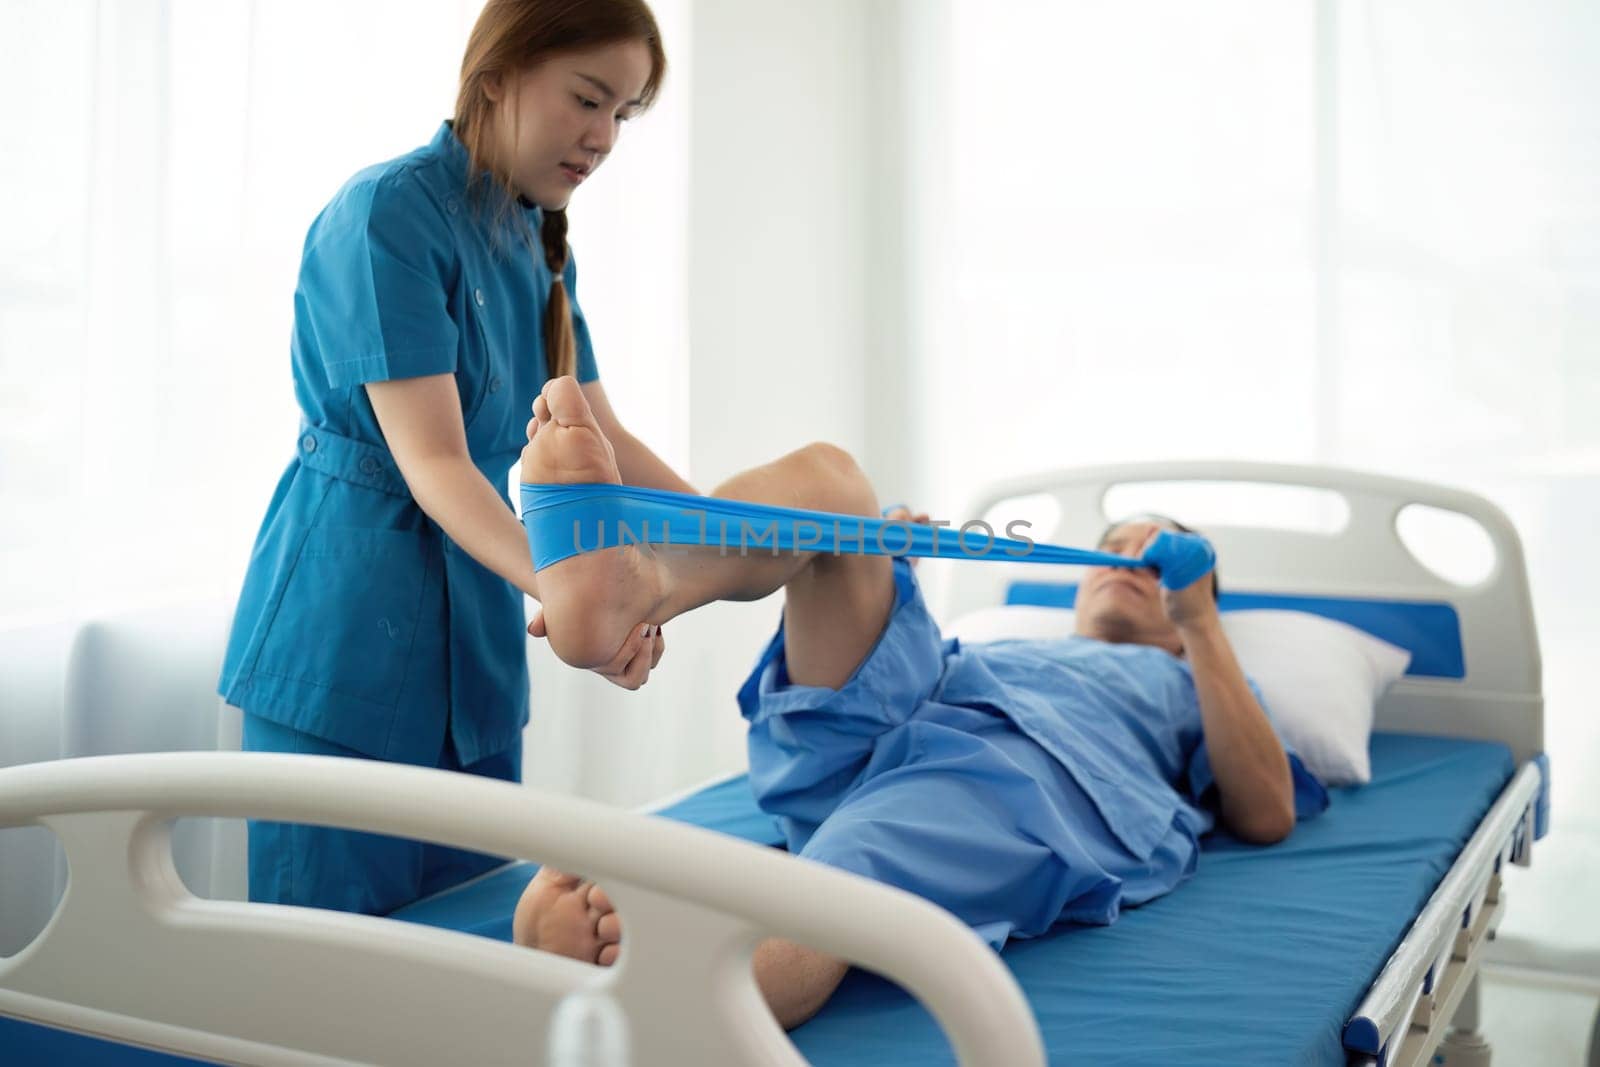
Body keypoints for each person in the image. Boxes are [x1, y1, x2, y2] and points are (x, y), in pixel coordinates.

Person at [510, 376, 1328, 1029]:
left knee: (854, 866)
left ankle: (666, 1005)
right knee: (836, 485)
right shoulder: (1014, 641)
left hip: (1018, 772)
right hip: (926, 690)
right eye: (1111, 549)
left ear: (1187, 604)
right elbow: (921, 655)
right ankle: (644, 584)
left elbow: (1266, 811)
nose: (1125, 560)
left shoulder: (1190, 676)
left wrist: (1202, 622)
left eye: (1153, 559)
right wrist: (884, 557)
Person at [216, 0, 684, 917]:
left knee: (465, 974)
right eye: (588, 100)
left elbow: (607, 440)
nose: (602, 140)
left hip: (471, 653)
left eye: (621, 116)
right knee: (336, 989)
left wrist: (758, 538)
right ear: (499, 73)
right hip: (346, 641)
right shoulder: (386, 216)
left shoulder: (537, 240)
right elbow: (434, 464)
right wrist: (577, 597)